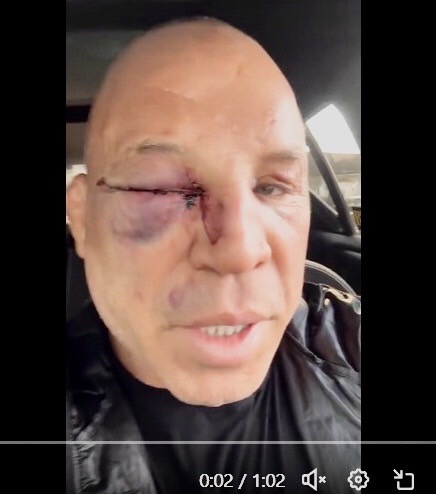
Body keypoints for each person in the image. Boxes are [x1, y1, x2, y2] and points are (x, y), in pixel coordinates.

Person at [66, 17, 360, 494]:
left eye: (271, 187)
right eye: (160, 187)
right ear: (81, 219)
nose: (241, 250)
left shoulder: (351, 351)